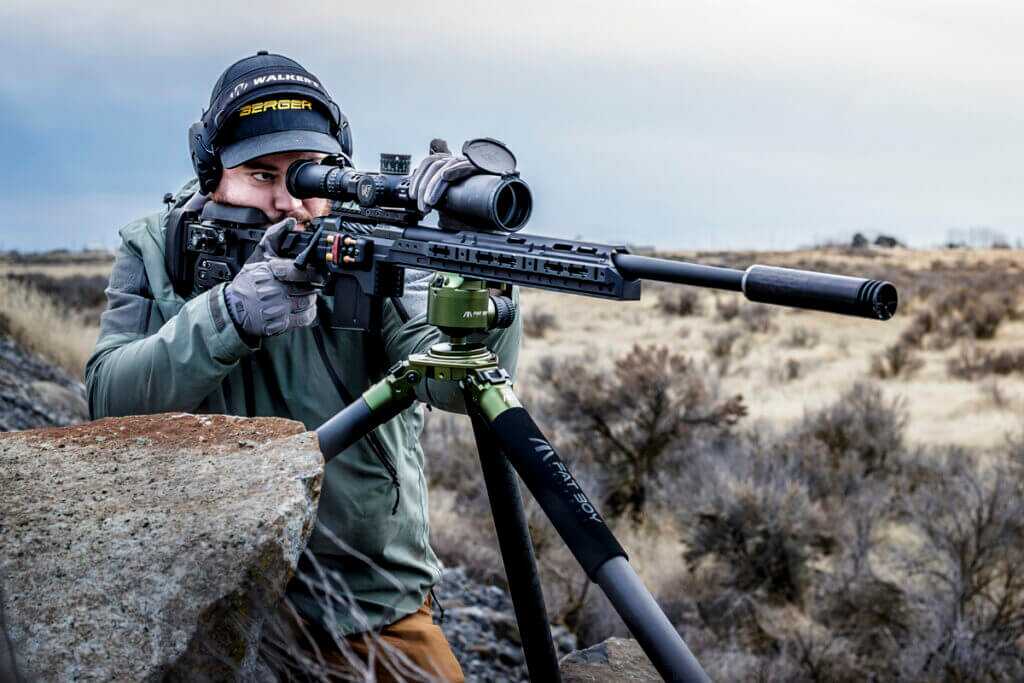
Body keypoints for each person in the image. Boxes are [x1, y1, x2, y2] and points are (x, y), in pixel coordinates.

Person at [85, 51, 522, 682]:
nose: (289, 202)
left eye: (310, 176)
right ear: (214, 177)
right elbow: (107, 402)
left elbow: (455, 387)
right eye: (261, 175)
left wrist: (475, 273)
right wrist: (229, 316)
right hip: (198, 599)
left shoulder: (372, 245)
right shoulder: (160, 246)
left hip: (369, 603)